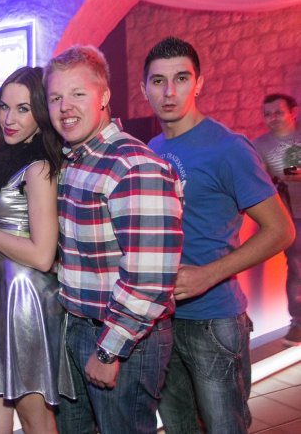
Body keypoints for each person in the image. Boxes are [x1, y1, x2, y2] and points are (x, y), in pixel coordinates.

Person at [141, 37, 295, 433]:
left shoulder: (228, 147)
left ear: (199, 84)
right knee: (179, 427)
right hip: (162, 319)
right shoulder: (152, 148)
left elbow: (281, 230)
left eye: (181, 78)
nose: (169, 91)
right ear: (144, 89)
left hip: (213, 319)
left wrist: (209, 274)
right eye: (158, 81)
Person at [44, 45, 184, 434]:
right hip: (78, 328)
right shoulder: (77, 160)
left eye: (78, 93)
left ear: (104, 96)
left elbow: (149, 278)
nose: (65, 107)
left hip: (122, 341)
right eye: (55, 97)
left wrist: (109, 350)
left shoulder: (133, 164)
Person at [0, 66, 67, 434]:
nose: (9, 119)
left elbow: (42, 254)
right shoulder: (9, 161)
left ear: (40, 112)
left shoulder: (38, 167)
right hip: (2, 291)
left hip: (25, 296)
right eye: (4, 107)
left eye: (23, 109)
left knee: (33, 413)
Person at [253, 93, 301, 346]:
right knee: (297, 269)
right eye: (267, 114)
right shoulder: (259, 145)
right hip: (290, 216)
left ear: (293, 112)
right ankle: (298, 323)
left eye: (278, 112)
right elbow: (257, 177)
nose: (272, 118)